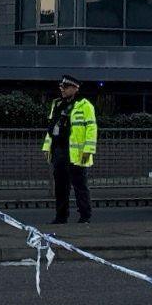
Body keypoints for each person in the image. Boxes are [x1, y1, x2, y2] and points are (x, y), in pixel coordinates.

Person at [42, 74, 97, 224]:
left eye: (65, 87)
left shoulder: (85, 105)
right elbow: (51, 128)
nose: (62, 89)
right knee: (60, 186)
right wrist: (47, 147)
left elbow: (91, 128)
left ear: (75, 88)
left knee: (80, 186)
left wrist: (88, 150)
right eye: (61, 87)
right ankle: (61, 216)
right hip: (59, 150)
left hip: (76, 154)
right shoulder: (57, 104)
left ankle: (85, 217)